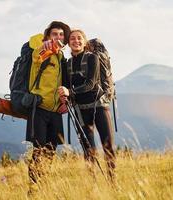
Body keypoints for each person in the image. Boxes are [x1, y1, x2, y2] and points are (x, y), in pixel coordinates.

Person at [58, 29, 116, 182]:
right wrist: (64, 95)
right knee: (88, 150)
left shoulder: (93, 58)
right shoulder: (67, 64)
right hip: (80, 110)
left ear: (84, 42)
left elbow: (90, 84)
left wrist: (69, 92)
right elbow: (64, 85)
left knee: (107, 146)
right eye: (72, 39)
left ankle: (113, 182)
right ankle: (93, 184)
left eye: (79, 38)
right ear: (68, 43)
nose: (76, 41)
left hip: (99, 106)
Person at [25, 21, 70, 187]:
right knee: (38, 149)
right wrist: (49, 44)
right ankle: (33, 187)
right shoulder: (41, 51)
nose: (58, 37)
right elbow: (38, 54)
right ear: (48, 36)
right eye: (54, 34)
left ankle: (42, 184)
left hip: (56, 111)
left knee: (51, 150)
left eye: (61, 35)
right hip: (39, 107)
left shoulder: (60, 58)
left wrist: (66, 102)